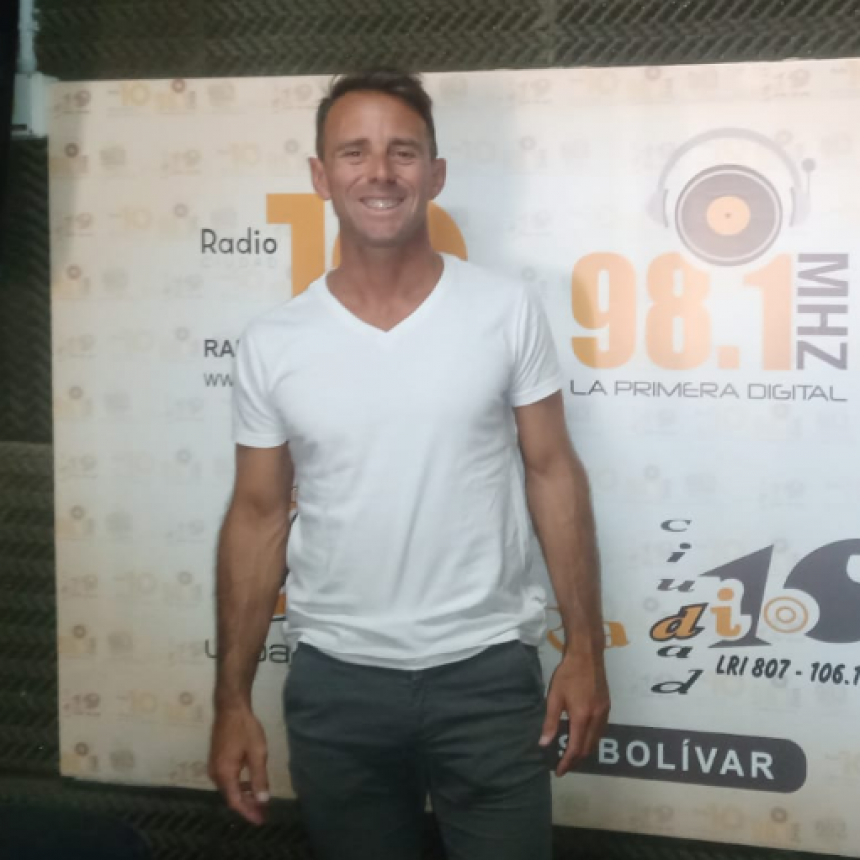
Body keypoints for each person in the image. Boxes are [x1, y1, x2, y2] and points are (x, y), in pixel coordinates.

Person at [208, 68, 610, 860]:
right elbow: (257, 516)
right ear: (320, 176)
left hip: (488, 676)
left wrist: (586, 650)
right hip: (338, 686)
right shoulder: (273, 343)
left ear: (436, 172)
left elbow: (552, 473)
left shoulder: (505, 310)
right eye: (353, 152)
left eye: (403, 151)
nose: (380, 172)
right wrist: (231, 699)